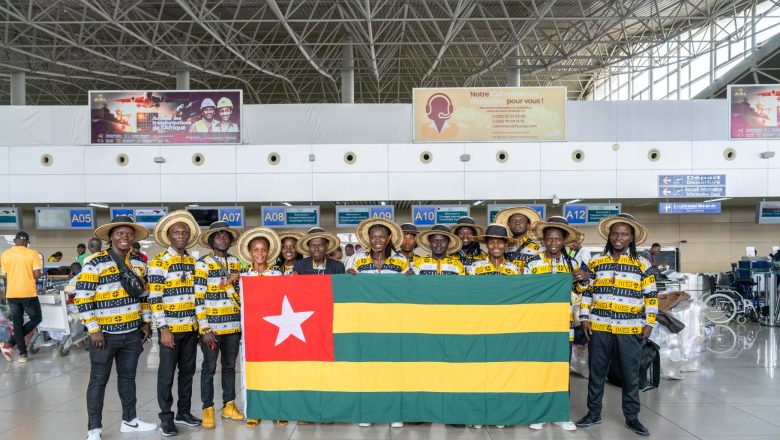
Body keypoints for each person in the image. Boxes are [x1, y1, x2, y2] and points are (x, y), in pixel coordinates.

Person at [75, 215, 157, 440]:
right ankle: (94, 429)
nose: (125, 237)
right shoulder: (95, 262)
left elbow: (144, 295)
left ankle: (130, 421)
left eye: (129, 234)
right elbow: (83, 297)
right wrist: (93, 329)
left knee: (128, 379)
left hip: (132, 334)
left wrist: (146, 323)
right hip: (104, 335)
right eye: (120, 233)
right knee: (98, 381)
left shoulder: (139, 262)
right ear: (111, 237)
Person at [576, 213, 657, 437]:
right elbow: (588, 293)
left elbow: (651, 295)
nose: (618, 237)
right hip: (599, 326)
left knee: (630, 375)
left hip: (630, 328)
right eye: (615, 233)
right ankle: (593, 413)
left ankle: (632, 417)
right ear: (609, 236)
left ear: (632, 238)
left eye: (624, 234)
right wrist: (584, 317)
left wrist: (650, 322)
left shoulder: (642, 264)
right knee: (596, 372)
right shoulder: (596, 261)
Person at [524, 216, 590, 432]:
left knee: (561, 370)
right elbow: (524, 291)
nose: (553, 243)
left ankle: (561, 414)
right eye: (549, 239)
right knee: (539, 370)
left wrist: (582, 281)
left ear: (564, 241)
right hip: (537, 324)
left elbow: (580, 293)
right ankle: (539, 413)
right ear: (543, 240)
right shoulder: (532, 263)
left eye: (557, 239)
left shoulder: (572, 264)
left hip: (563, 324)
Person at [348, 218, 408, 428]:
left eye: (381, 236)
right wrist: (349, 278)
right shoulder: (356, 259)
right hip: (365, 324)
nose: (377, 240)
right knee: (367, 368)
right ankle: (368, 412)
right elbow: (347, 287)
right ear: (368, 238)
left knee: (393, 368)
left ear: (389, 238)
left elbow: (410, 290)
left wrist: (410, 279)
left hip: (394, 324)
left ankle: (394, 412)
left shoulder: (401, 260)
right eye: (373, 237)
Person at [148, 210, 202, 436]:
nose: (181, 235)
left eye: (185, 232)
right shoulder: (160, 262)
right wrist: (163, 329)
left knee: (187, 372)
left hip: (190, 328)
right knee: (167, 374)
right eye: (176, 232)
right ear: (168, 236)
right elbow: (154, 298)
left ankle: (184, 412)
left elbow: (199, 294)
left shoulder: (193, 261)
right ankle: (166, 417)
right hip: (170, 330)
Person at [193, 222, 245, 430]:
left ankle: (229, 405)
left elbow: (242, 293)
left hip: (233, 326)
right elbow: (198, 297)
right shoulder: (202, 263)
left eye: (226, 236)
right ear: (212, 241)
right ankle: (207, 408)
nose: (223, 239)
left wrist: (237, 282)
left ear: (230, 240)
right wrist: (204, 328)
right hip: (211, 329)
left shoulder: (236, 262)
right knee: (208, 368)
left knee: (230, 367)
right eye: (218, 236)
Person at [237, 227, 284, 427]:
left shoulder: (277, 275)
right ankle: (254, 410)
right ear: (249, 252)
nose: (259, 253)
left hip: (274, 330)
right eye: (255, 250)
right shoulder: (241, 277)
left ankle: (277, 410)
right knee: (252, 371)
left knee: (275, 371)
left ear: (268, 251)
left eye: (263, 249)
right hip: (251, 333)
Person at [0, 231, 42, 363]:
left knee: (17, 323)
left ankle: (22, 354)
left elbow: (5, 275)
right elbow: (37, 275)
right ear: (27, 242)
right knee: (36, 318)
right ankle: (11, 343)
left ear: (14, 240)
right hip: (28, 293)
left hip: (12, 293)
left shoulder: (5, 254)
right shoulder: (33, 253)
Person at [495, 207, 543, 271]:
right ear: (508, 224)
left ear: (528, 225)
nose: (517, 223)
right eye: (513, 220)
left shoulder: (539, 248)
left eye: (521, 220)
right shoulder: (501, 246)